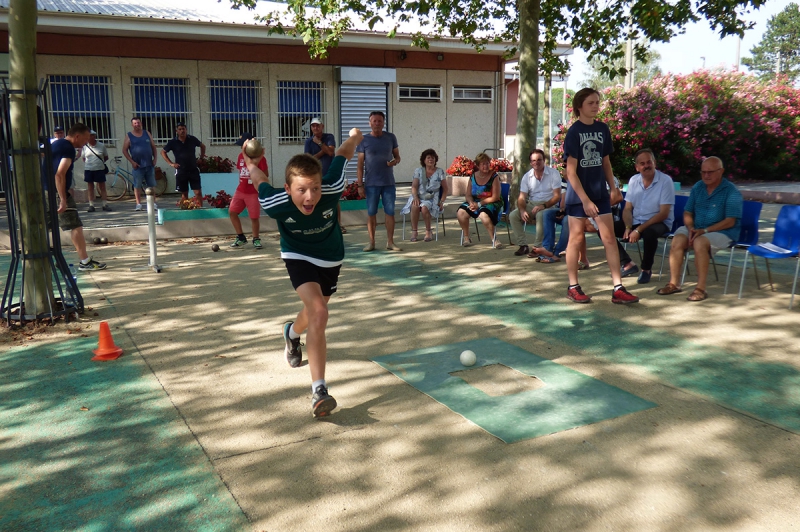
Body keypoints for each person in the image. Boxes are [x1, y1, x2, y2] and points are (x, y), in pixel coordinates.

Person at [248, 128, 364, 418]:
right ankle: (319, 391)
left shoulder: (333, 186)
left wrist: (355, 136)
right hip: (297, 255)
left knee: (314, 312)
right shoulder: (275, 203)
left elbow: (342, 153)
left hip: (330, 257)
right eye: (301, 190)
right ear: (288, 189)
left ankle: (290, 333)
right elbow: (260, 181)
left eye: (314, 188)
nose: (309, 197)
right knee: (319, 312)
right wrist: (251, 163)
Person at [562, 87, 638, 304]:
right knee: (576, 240)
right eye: (591, 103)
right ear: (579, 107)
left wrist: (613, 188)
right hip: (579, 196)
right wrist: (585, 200)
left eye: (597, 102)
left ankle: (618, 287)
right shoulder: (574, 132)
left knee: (609, 239)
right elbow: (570, 172)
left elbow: (605, 162)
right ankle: (573, 286)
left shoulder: (603, 129)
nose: (596, 106)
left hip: (600, 194)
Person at [657, 156, 742, 301]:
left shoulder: (731, 191)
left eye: (710, 172)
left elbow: (730, 221)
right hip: (696, 228)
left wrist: (705, 231)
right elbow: (688, 212)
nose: (706, 175)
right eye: (703, 172)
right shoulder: (698, 187)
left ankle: (701, 288)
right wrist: (690, 228)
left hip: (723, 231)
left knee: (700, 242)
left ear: (721, 171)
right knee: (677, 240)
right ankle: (674, 284)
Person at [52, 123, 106, 271]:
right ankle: (84, 261)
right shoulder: (68, 148)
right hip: (57, 192)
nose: (87, 142)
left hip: (45, 190)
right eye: (86, 138)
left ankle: (52, 258)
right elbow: (59, 173)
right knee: (75, 226)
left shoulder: (57, 144)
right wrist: (62, 198)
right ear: (77, 136)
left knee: (48, 226)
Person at [617, 149, 675, 284]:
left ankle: (646, 270)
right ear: (637, 167)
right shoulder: (633, 180)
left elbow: (664, 213)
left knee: (649, 233)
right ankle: (627, 263)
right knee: (604, 228)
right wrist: (628, 227)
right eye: (642, 163)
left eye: (649, 162)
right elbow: (627, 209)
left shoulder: (665, 181)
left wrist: (638, 230)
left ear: (654, 163)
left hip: (660, 222)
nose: (646, 165)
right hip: (636, 221)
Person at [357, 111, 401, 252]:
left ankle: (390, 242)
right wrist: (359, 185)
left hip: (388, 182)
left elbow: (398, 157)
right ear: (369, 123)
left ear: (383, 122)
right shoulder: (363, 140)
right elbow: (360, 164)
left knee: (390, 212)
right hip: (371, 184)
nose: (377, 123)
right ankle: (371, 242)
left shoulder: (390, 137)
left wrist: (394, 162)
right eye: (374, 121)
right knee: (371, 213)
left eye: (379, 121)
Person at [509, 149, 562, 256]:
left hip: (550, 204)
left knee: (541, 214)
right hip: (532, 203)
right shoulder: (527, 176)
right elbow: (521, 197)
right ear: (530, 163)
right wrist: (523, 210)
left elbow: (557, 196)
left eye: (539, 160)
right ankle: (523, 246)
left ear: (544, 160)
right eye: (533, 160)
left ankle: (538, 247)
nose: (536, 162)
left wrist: (543, 205)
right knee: (513, 215)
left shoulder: (554, 174)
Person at [304, 118, 346, 234]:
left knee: (334, 199)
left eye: (317, 126)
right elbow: (309, 159)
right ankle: (319, 225)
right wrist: (323, 151)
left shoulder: (329, 137)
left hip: (330, 173)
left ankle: (338, 223)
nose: (315, 128)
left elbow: (331, 152)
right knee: (316, 199)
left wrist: (319, 143)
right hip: (315, 175)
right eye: (313, 126)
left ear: (322, 126)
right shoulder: (308, 141)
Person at [456, 153, 504, 248]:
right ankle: (466, 237)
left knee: (483, 214)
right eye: (483, 164)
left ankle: (494, 239)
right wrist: (471, 203)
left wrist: (479, 204)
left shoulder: (494, 176)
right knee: (461, 212)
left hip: (492, 202)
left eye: (487, 163)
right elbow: (468, 194)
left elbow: (496, 196)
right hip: (476, 202)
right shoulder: (473, 176)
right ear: (478, 166)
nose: (486, 166)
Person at [400, 148, 448, 242]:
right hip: (419, 196)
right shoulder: (418, 171)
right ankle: (414, 231)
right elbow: (414, 186)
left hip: (433, 198)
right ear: (424, 160)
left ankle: (428, 231)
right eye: (428, 158)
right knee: (414, 205)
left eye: (433, 158)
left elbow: (445, 189)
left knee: (425, 208)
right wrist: (415, 197)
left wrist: (441, 201)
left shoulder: (440, 171)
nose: (431, 160)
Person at [229, 132, 268, 248]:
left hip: (253, 192)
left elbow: (266, 175)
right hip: (240, 190)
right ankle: (240, 237)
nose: (241, 147)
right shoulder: (240, 156)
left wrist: (255, 169)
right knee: (232, 212)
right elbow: (240, 172)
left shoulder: (261, 159)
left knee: (254, 217)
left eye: (243, 145)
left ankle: (256, 239)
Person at [162, 122, 206, 207]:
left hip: (193, 169)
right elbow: (163, 152)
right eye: (180, 129)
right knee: (184, 193)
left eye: (183, 129)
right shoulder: (173, 142)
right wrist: (171, 163)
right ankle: (186, 210)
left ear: (186, 130)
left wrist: (201, 158)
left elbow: (202, 146)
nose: (182, 131)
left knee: (198, 192)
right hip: (181, 171)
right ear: (176, 131)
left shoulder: (192, 139)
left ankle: (201, 209)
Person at [122, 116, 158, 211]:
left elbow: (153, 147)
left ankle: (153, 203)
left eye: (138, 123)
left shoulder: (147, 133)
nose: (137, 125)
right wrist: (132, 162)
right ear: (132, 125)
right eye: (135, 123)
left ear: (141, 123)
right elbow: (124, 150)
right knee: (137, 185)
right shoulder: (129, 135)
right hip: (137, 166)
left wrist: (155, 159)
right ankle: (138, 204)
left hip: (149, 164)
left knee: (151, 184)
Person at [81, 129, 111, 212]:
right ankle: (91, 205)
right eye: (89, 136)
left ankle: (105, 204)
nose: (90, 137)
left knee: (102, 187)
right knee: (90, 187)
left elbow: (106, 157)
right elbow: (83, 158)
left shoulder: (101, 145)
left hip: (100, 169)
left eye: (92, 136)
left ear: (94, 137)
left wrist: (98, 163)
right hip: (89, 169)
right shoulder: (84, 147)